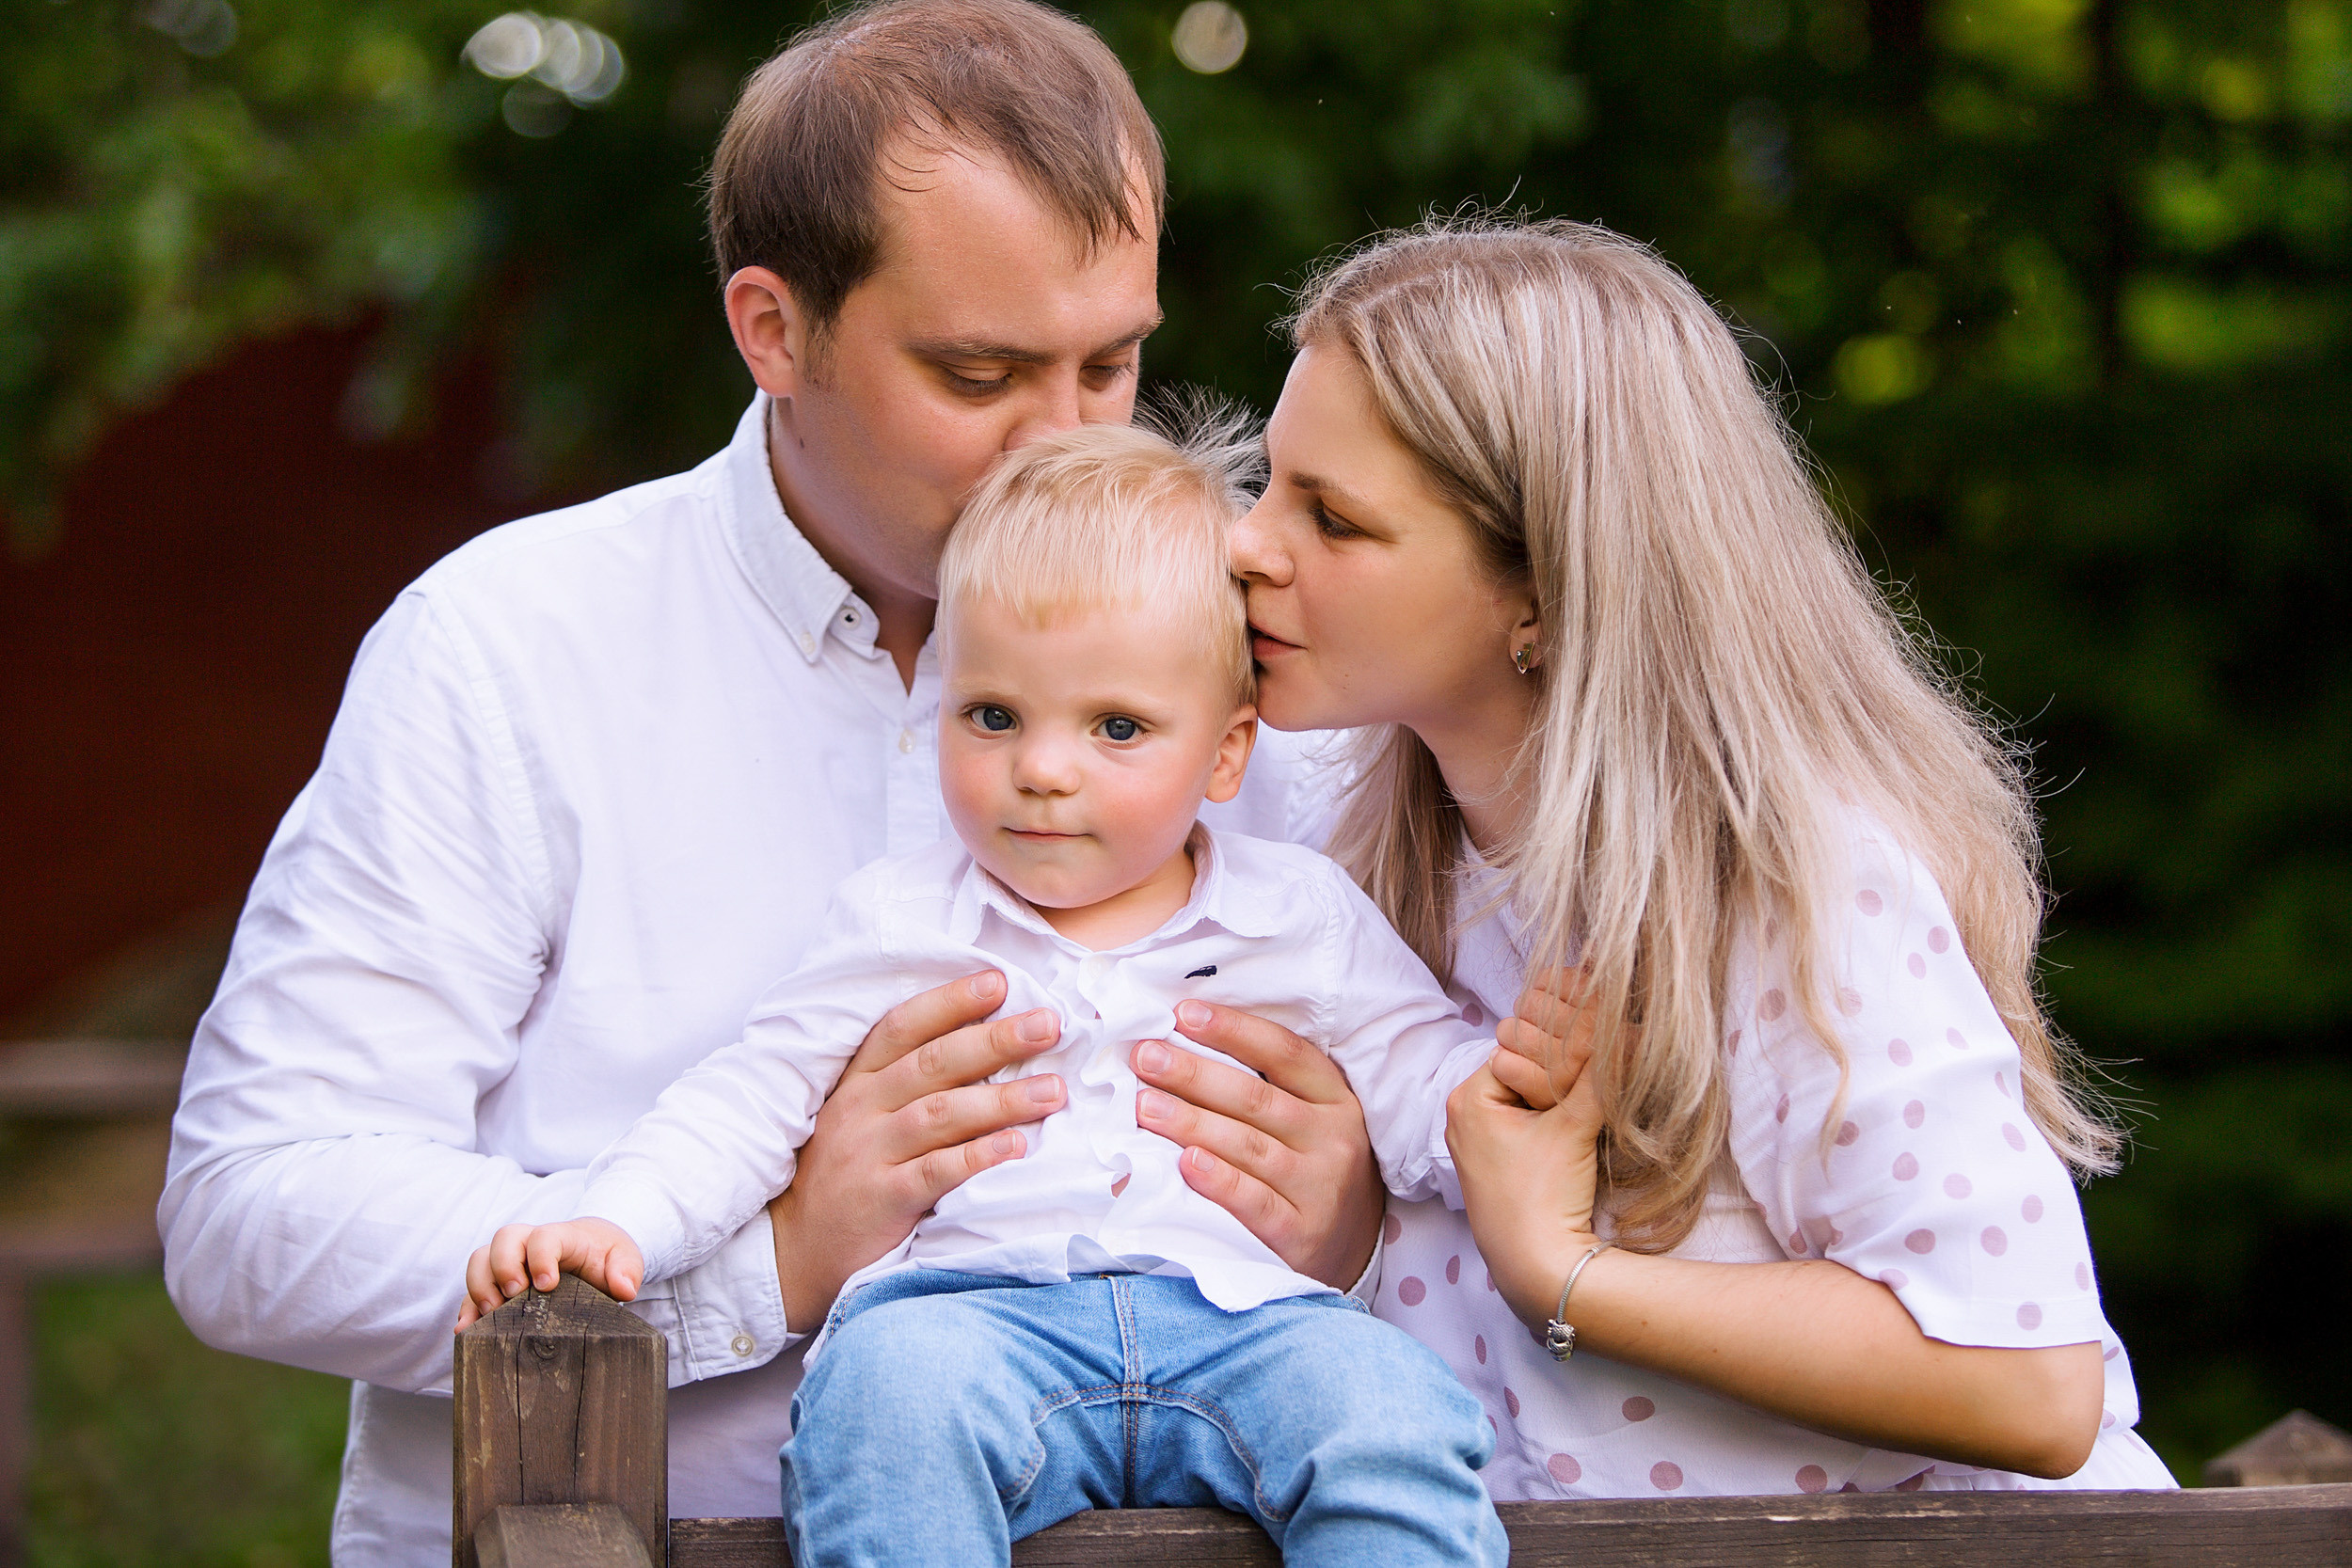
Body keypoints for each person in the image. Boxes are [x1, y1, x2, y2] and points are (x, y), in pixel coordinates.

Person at [158, 5, 1377, 1560]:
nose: (1068, 442)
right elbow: (255, 1217)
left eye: (1113, 363)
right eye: (982, 370)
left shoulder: (1260, 657)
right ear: (770, 326)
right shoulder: (510, 647)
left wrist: (1356, 1217)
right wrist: (770, 1258)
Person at [1226, 217, 2177, 1495]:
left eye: (1333, 518)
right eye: (1270, 483)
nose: (1248, 542)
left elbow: (2028, 1375)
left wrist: (1566, 1275)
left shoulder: (1792, 886)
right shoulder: (1331, 850)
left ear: (1544, 597)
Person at [465, 420, 1506, 1566]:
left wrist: (1525, 1100)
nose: (1042, 766)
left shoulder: (1295, 912)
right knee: (886, 1399)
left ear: (1224, 754)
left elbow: (1420, 1073)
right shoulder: (903, 919)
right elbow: (749, 1096)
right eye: (993, 714)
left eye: (1116, 726)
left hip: (1246, 1319)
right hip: (976, 1312)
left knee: (1391, 1408)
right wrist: (617, 1219)